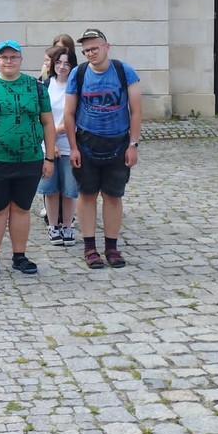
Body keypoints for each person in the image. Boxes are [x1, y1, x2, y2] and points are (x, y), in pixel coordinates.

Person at [0, 40, 57, 278]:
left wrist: (49, 158)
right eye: (4, 57)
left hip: (29, 159)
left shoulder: (36, 87)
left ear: (21, 60)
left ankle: (19, 256)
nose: (9, 61)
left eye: (13, 57)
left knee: (21, 208)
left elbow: (48, 123)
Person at [63, 28, 142, 269]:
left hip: (118, 142)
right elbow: (69, 113)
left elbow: (136, 111)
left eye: (94, 48)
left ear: (107, 47)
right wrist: (73, 148)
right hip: (87, 142)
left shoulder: (123, 71)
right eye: (86, 50)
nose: (90, 53)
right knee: (87, 194)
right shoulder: (78, 73)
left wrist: (133, 144)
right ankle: (89, 248)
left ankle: (111, 247)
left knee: (113, 195)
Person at [41, 46, 79, 246]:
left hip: (69, 144)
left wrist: (53, 134)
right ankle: (53, 226)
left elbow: (74, 117)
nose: (62, 67)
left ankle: (67, 226)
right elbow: (40, 116)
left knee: (69, 190)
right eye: (58, 63)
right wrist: (49, 141)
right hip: (47, 146)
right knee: (51, 189)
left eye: (66, 63)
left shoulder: (76, 86)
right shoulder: (45, 85)